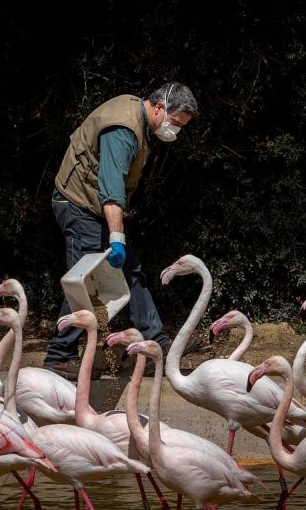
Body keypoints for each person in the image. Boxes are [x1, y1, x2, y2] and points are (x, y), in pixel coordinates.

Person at [43, 81, 199, 380]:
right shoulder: (124, 130)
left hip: (96, 205)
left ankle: (156, 342)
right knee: (85, 281)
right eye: (175, 123)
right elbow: (112, 189)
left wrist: (120, 239)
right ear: (159, 107)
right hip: (78, 204)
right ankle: (58, 356)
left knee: (131, 268)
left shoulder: (137, 118)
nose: (175, 131)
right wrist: (116, 237)